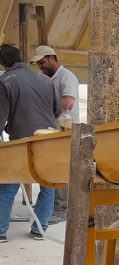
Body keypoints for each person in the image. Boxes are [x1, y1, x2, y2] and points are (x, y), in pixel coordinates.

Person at [0, 44, 60, 243]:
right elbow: (56, 113)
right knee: (47, 184)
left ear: (3, 64)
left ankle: (0, 231)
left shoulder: (5, 81)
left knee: (8, 184)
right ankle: (39, 229)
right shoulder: (44, 80)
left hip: (23, 140)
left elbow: (1, 118)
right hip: (49, 138)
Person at [31, 45, 80, 224]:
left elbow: (68, 102)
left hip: (66, 129)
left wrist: (45, 104)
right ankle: (53, 207)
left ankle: (62, 208)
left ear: (52, 58)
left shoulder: (67, 77)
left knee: (62, 169)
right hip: (52, 129)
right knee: (51, 168)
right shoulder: (44, 78)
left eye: (43, 62)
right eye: (38, 64)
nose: (41, 66)